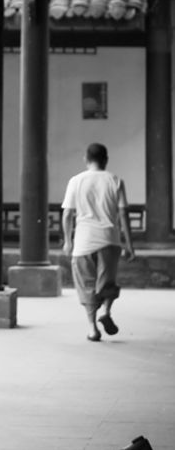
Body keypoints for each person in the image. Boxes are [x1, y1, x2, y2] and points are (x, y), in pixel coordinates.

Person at [62, 142, 135, 342]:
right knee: (108, 282)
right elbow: (123, 213)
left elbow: (67, 214)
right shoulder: (115, 180)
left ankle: (93, 328)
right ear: (106, 160)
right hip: (109, 240)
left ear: (85, 159)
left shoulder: (76, 181)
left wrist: (68, 241)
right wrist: (129, 244)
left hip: (83, 242)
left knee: (87, 285)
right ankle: (107, 312)